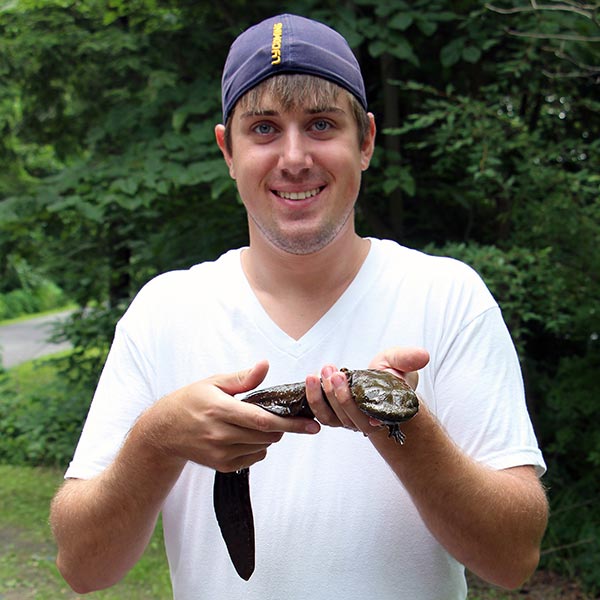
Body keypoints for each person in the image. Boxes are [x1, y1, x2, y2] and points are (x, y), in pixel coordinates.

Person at [50, 13, 548, 600]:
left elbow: (514, 558)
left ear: (364, 140)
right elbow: (82, 569)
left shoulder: (448, 296)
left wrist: (402, 427)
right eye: (263, 128)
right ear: (226, 150)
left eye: (319, 124)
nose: (293, 157)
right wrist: (158, 440)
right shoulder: (164, 310)